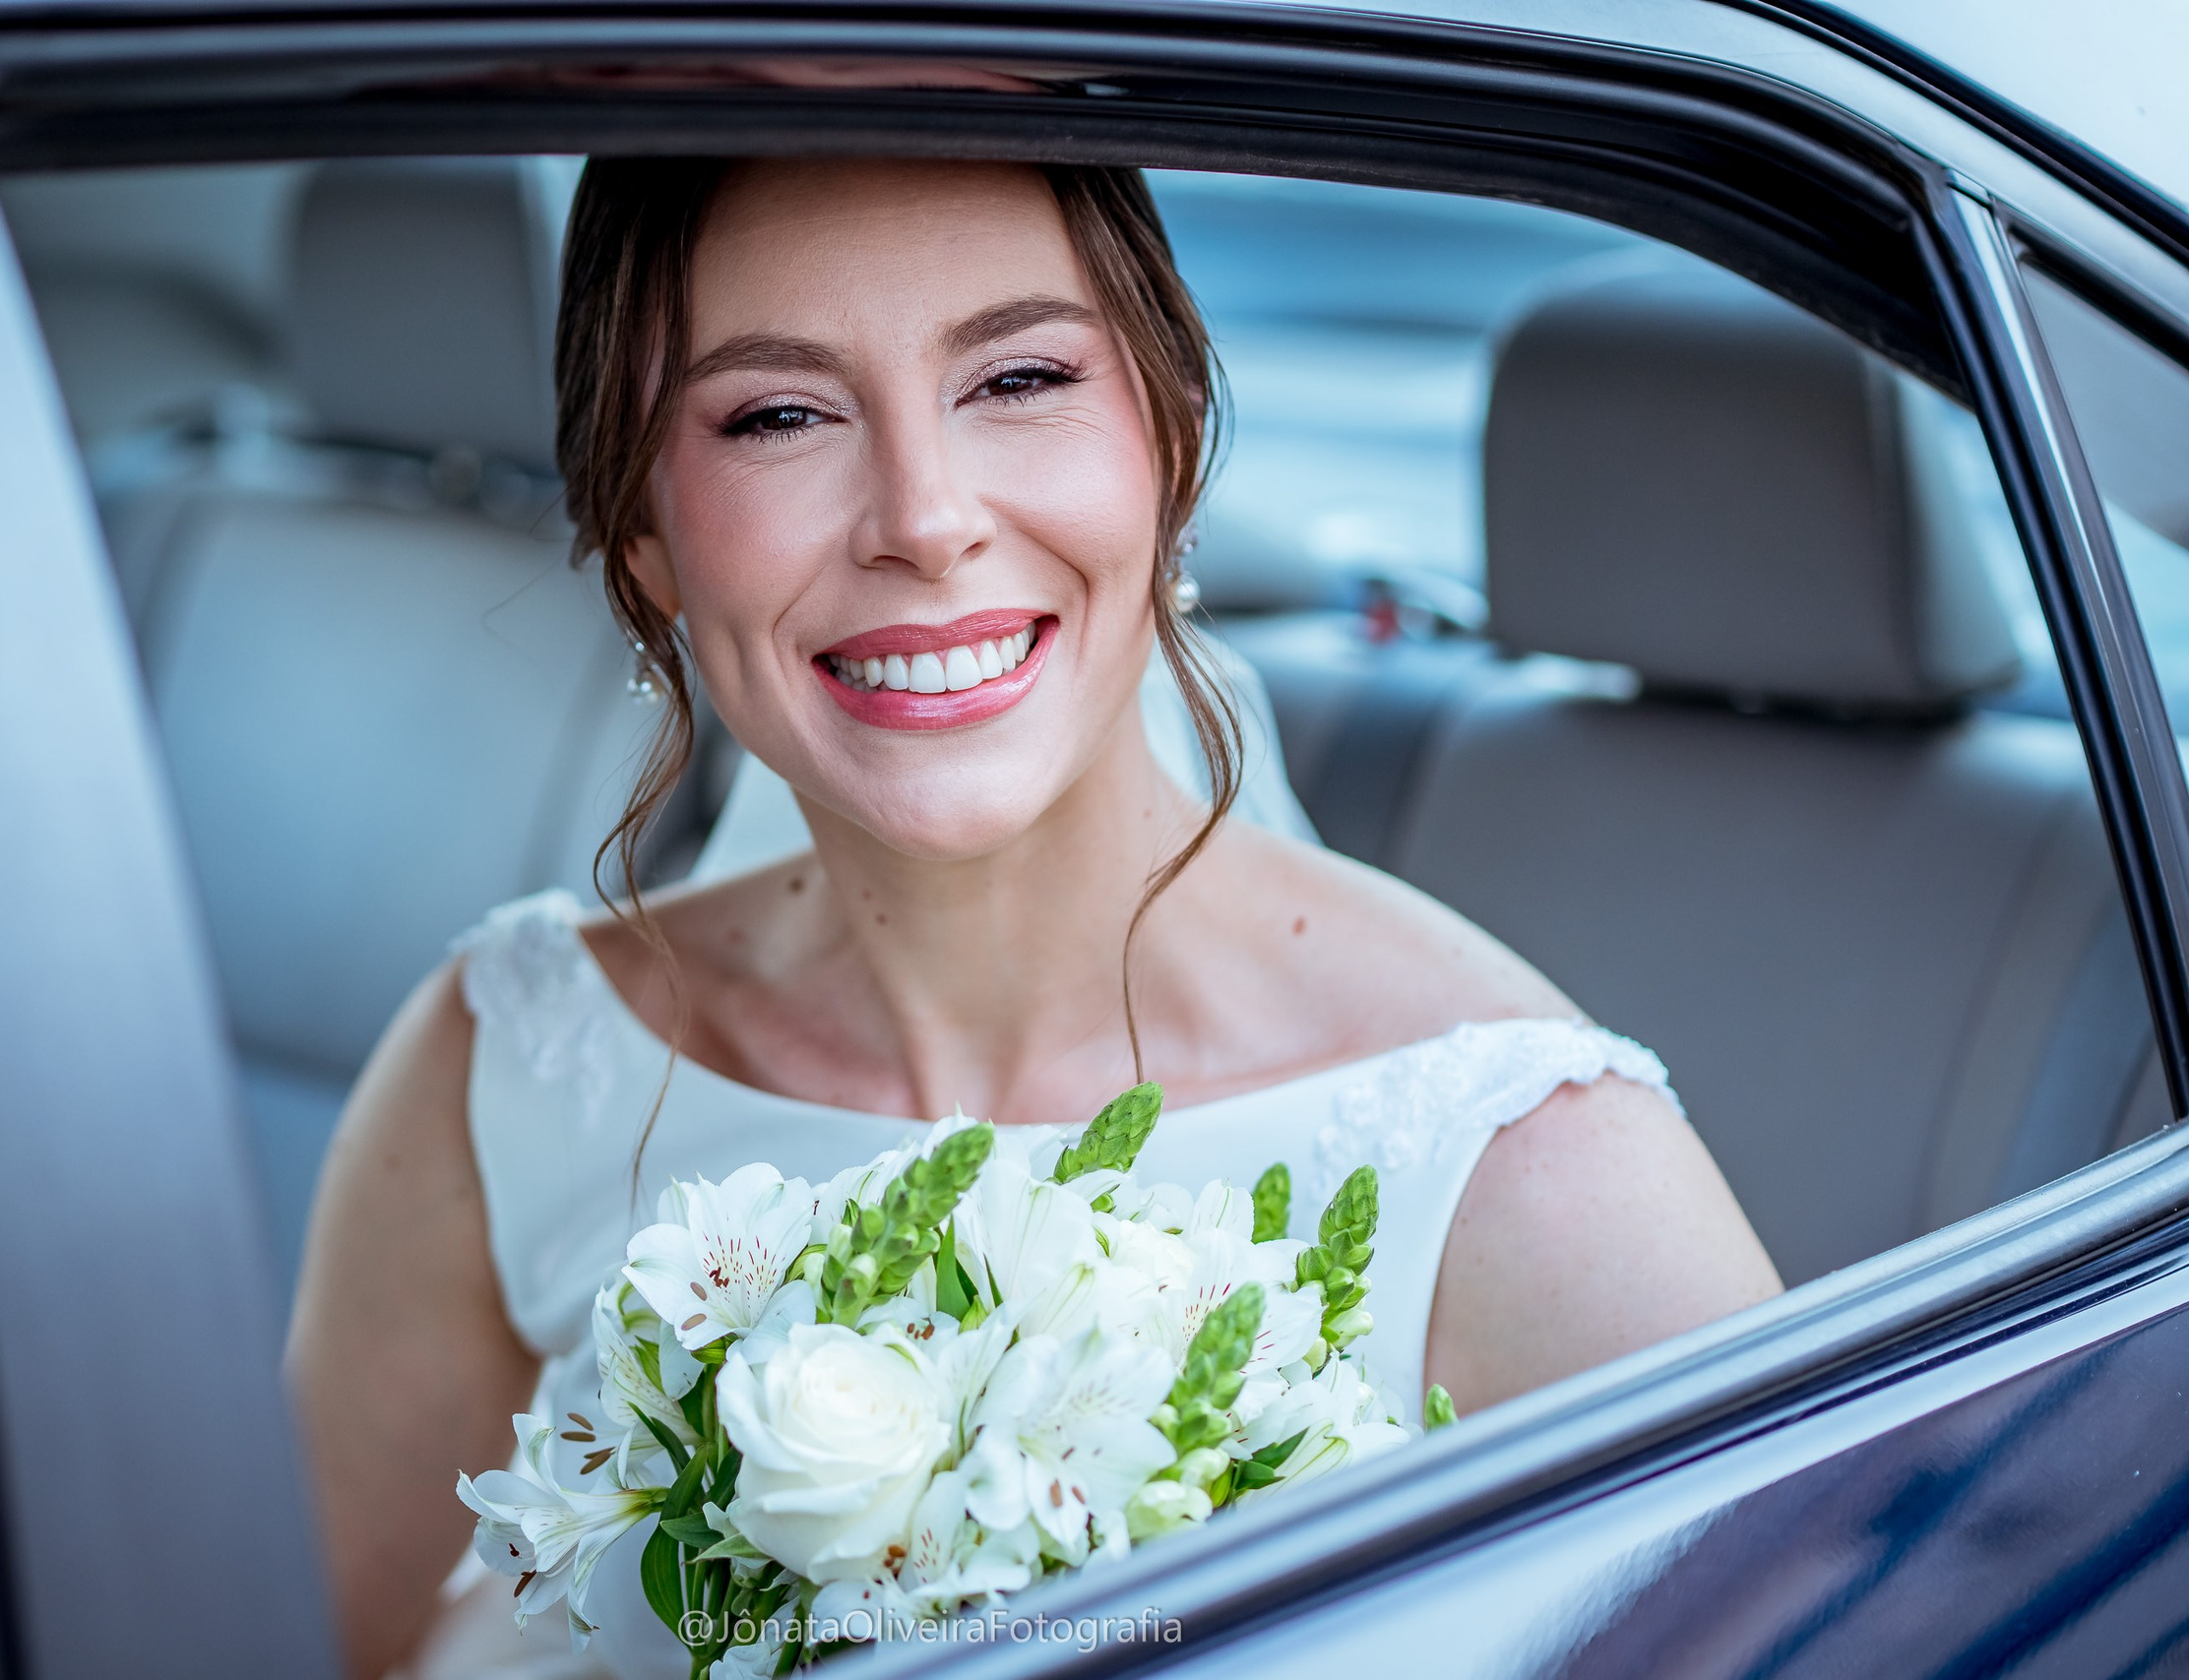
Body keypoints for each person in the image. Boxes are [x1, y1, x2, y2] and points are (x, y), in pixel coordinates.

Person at [287, 156, 1782, 1679]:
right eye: (781, 416)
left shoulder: (1527, 1170)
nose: (925, 522)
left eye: (1018, 378)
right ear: (644, 536)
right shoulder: (511, 1063)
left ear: (1169, 443)